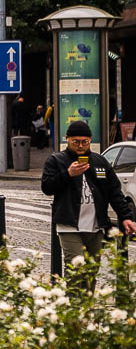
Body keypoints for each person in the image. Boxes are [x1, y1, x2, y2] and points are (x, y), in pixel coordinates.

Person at [43, 120, 136, 291]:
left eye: (84, 142)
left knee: (91, 272)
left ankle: (86, 311)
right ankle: (74, 313)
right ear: (67, 139)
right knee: (76, 271)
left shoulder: (99, 162)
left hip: (95, 227)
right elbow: (47, 187)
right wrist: (68, 174)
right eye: (75, 142)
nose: (80, 146)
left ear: (90, 140)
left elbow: (115, 192)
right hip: (69, 226)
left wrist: (126, 218)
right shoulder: (57, 160)